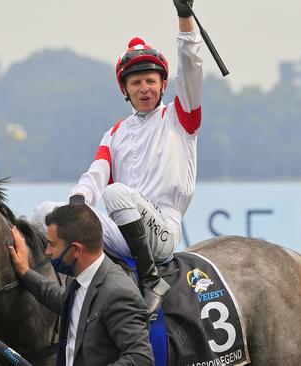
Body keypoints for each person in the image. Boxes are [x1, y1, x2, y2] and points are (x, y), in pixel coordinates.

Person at [67, 0, 203, 316]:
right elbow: (95, 175)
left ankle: (152, 281)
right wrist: (78, 200)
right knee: (47, 213)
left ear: (163, 85)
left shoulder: (181, 116)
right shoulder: (114, 133)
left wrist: (185, 18)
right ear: (125, 90)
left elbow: (191, 65)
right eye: (136, 83)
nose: (145, 89)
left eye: (151, 81)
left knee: (115, 193)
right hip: (123, 230)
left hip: (163, 231)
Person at [8, 204, 153, 366]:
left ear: (76, 250)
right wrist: (25, 272)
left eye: (52, 245)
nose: (47, 252)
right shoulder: (78, 279)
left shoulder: (118, 293)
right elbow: (63, 300)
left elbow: (141, 358)